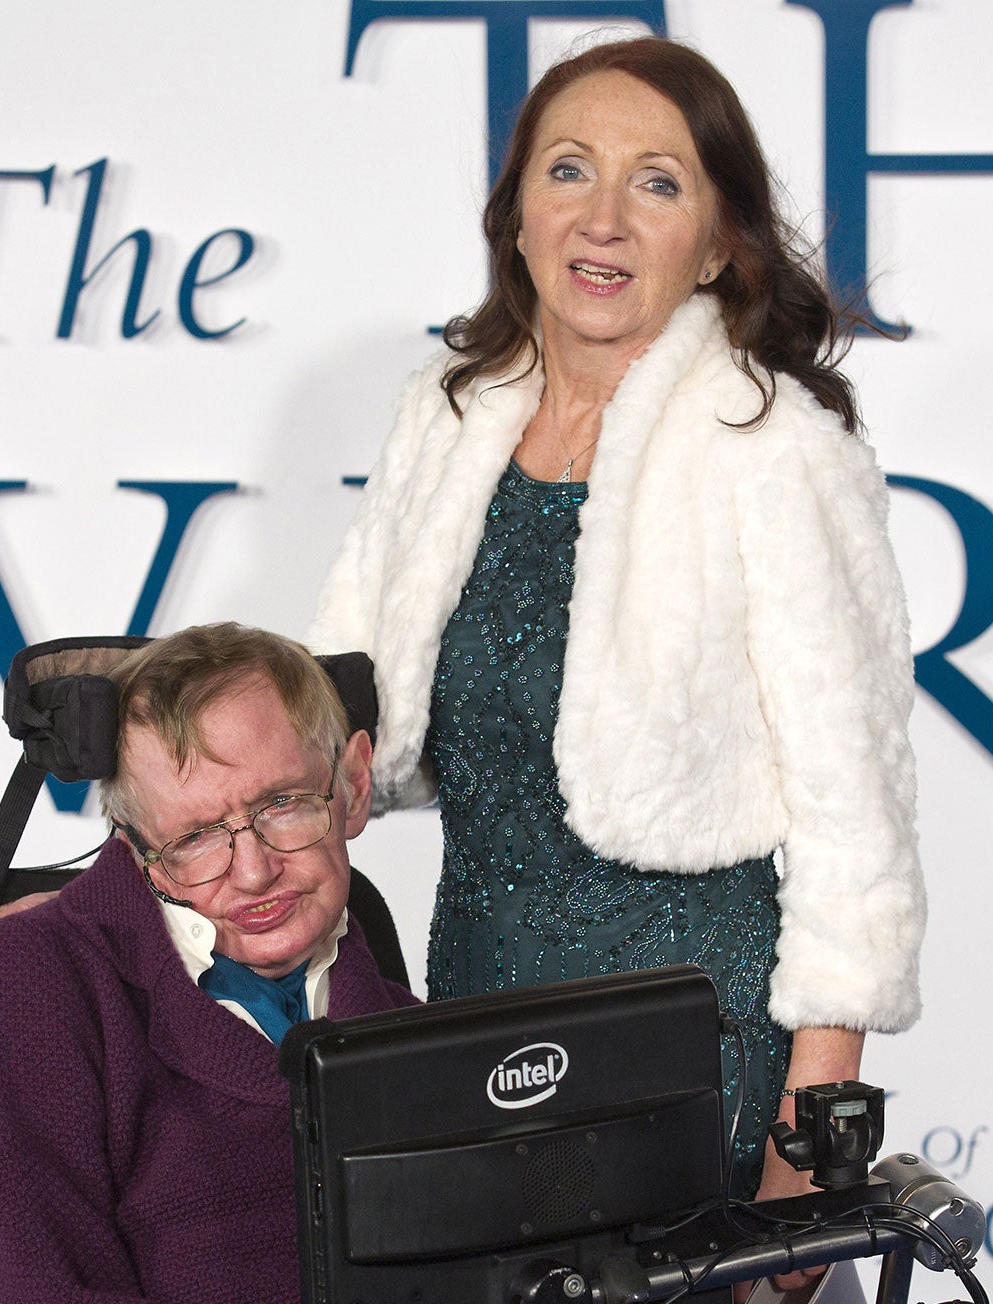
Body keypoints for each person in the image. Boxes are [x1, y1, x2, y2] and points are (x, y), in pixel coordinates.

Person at [0, 622, 871, 1304]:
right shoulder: (37, 979)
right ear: (136, 850)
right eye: (195, 836)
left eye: (282, 804)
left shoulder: (402, 1024)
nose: (249, 870)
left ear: (352, 785)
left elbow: (554, 1251)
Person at [306, 36, 923, 1221]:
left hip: (693, 1043)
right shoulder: (445, 413)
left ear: (717, 244)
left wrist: (814, 1115)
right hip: (475, 1014)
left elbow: (857, 805)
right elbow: (323, 716)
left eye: (656, 183)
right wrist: (104, 913)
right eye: (567, 170)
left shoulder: (775, 441)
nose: (602, 219)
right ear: (517, 215)